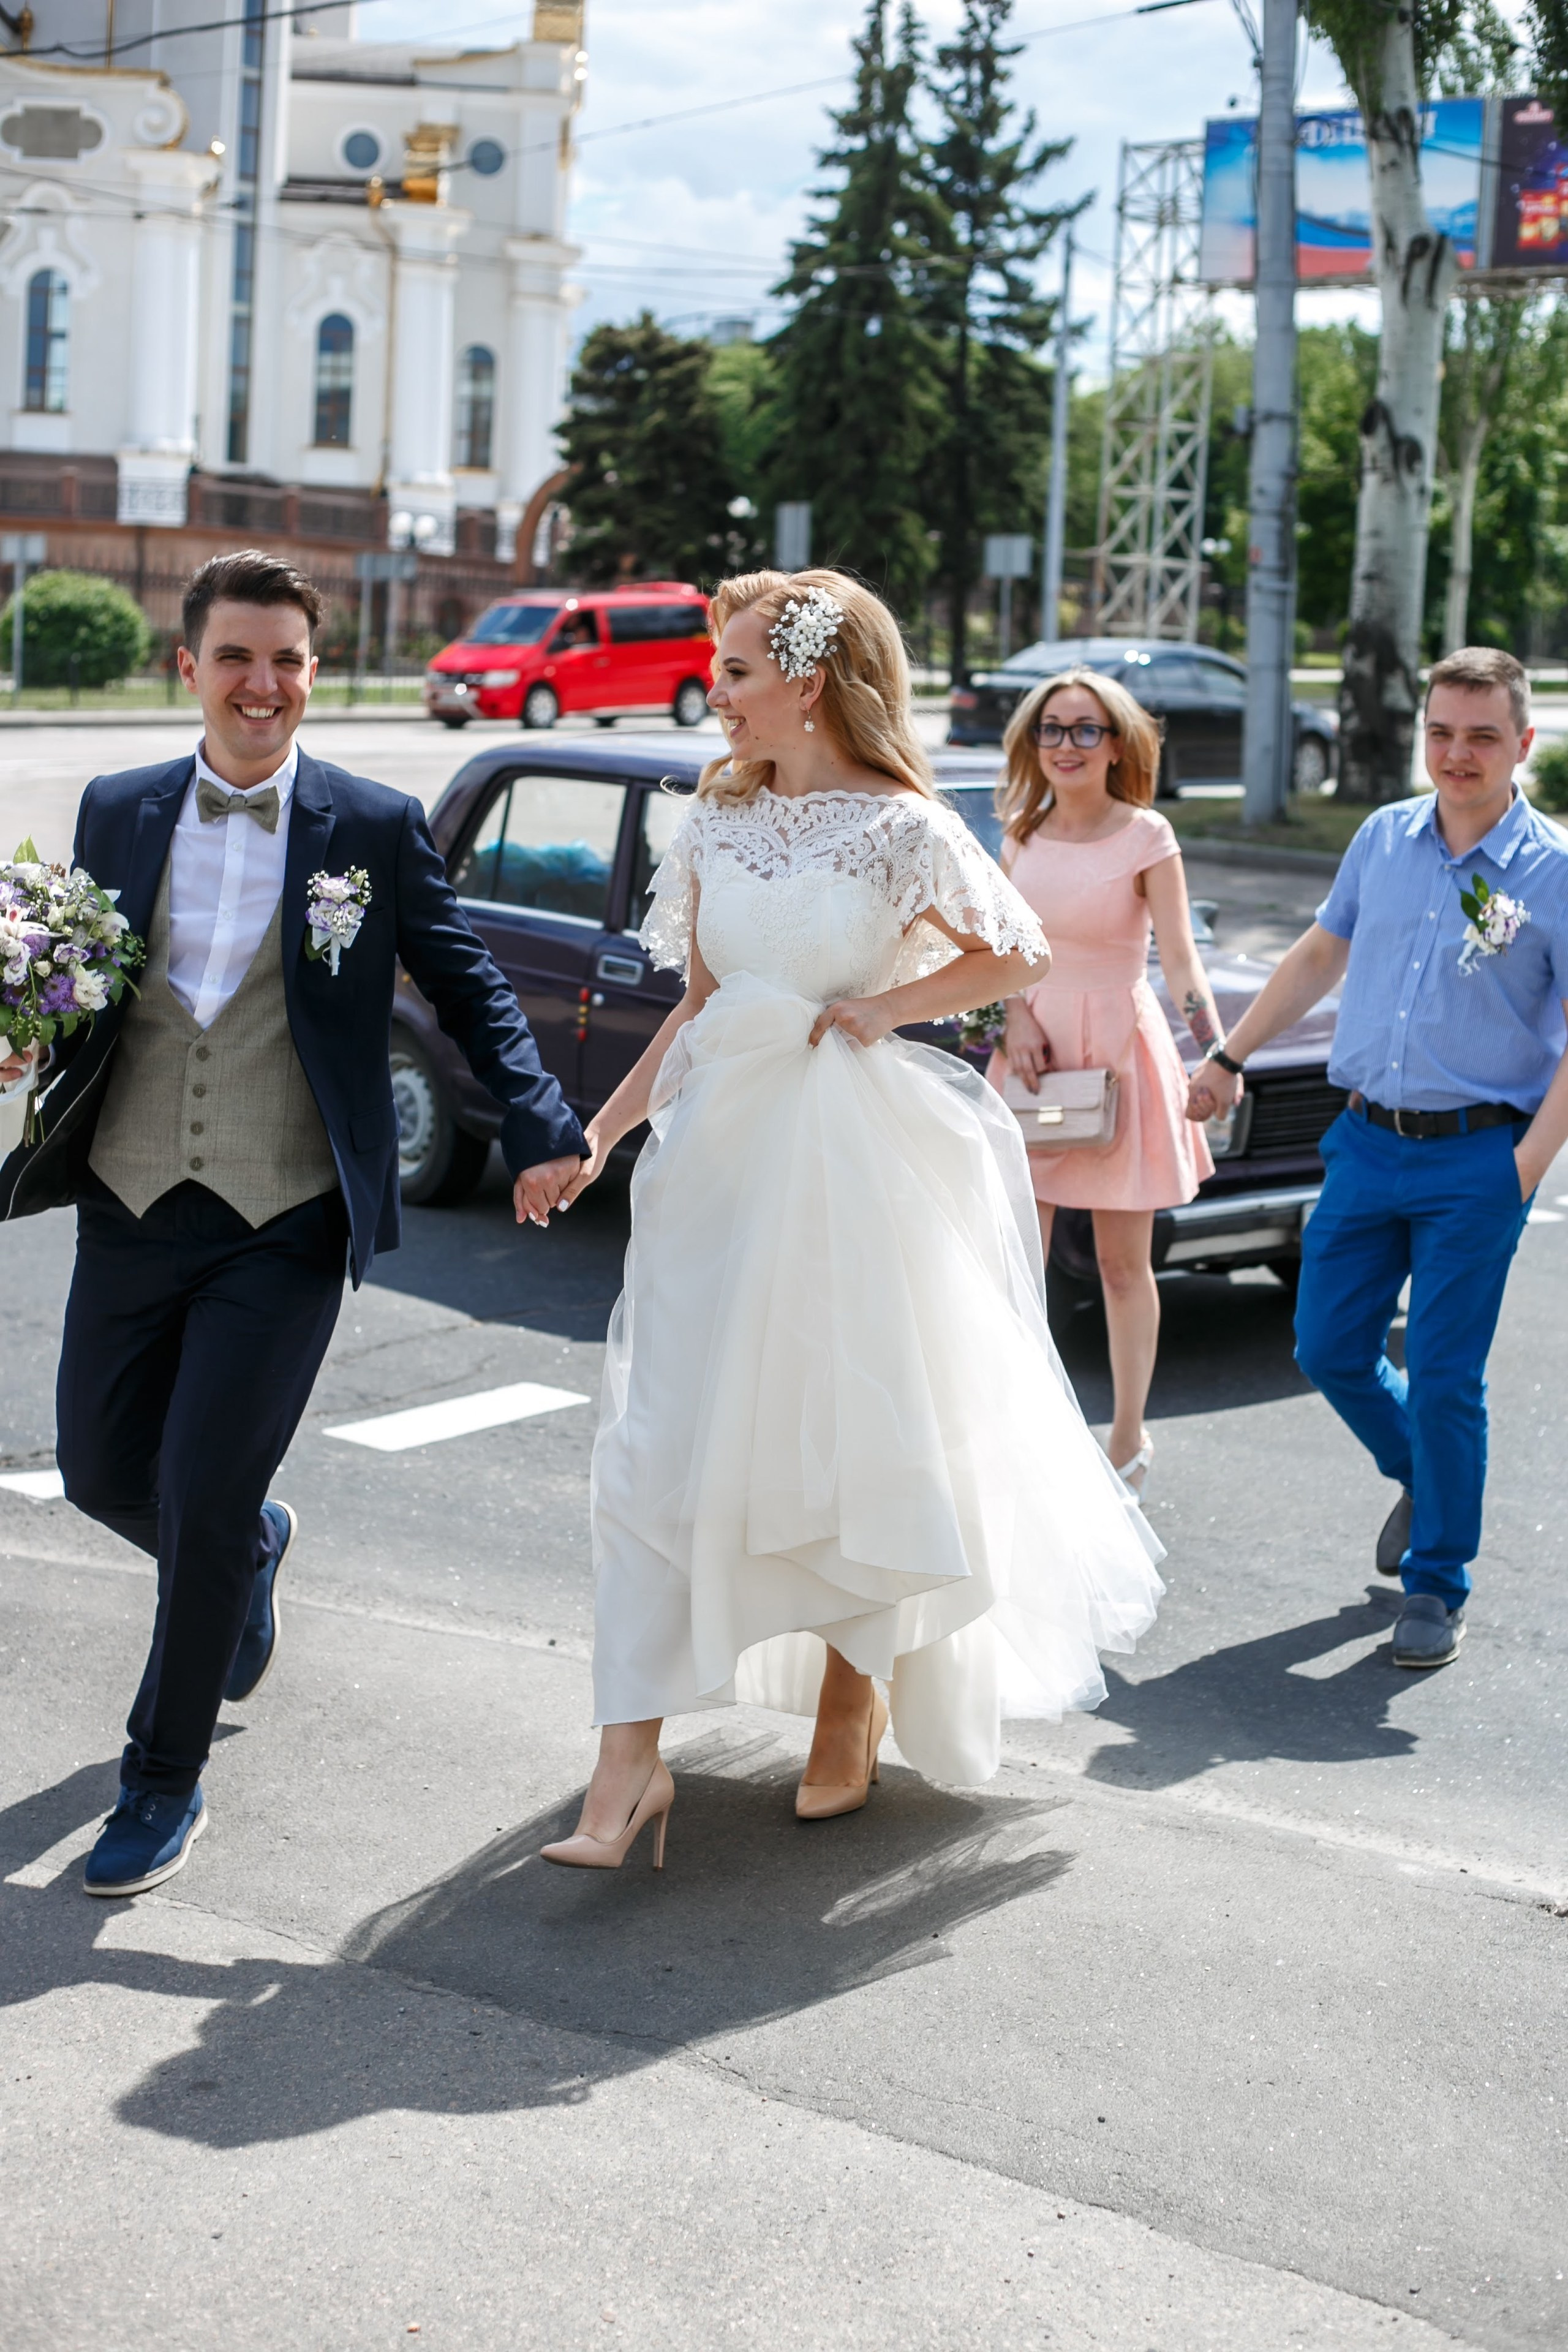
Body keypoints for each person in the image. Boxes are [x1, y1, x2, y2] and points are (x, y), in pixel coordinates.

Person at [538, 570, 1165, 1871]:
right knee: (666, 1450)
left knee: (843, 1439)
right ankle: (625, 1763)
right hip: (716, 1164)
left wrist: (891, 1005)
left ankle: (850, 1691)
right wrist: (595, 1139)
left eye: (734, 673)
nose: (715, 694)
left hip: (852, 1160)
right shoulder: (711, 821)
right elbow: (697, 1008)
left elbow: (1016, 955)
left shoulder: (903, 827)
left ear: (807, 684)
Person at [0, 549, 585, 1896]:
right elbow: (86, 987)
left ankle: (162, 1780)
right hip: (133, 1199)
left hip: (286, 1216)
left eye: (287, 661)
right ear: (190, 666)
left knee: (200, 1498)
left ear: (312, 674)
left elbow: (469, 981)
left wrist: (543, 1119)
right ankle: (253, 1549)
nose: (263, 685)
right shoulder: (117, 809)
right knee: (100, 1474)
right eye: (235, 658)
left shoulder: (371, 827)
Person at [1186, 646, 1568, 1667]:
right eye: (1441, 732)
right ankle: (1426, 1477)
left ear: (1522, 743)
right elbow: (1320, 952)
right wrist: (1230, 1055)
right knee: (1327, 1348)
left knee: (1447, 1377)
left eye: (1482, 735)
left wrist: (1528, 1164)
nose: (1457, 753)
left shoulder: (1554, 872)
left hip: (1477, 1162)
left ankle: (1438, 1583)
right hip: (1364, 1143)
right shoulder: (1384, 837)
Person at [989, 668, 1226, 1488]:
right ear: (1033, 741)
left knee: (1125, 1265)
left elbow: (1183, 959)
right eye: (1052, 729)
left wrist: (1217, 1053)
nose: (1066, 745)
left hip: (1121, 1055)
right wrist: (1012, 1019)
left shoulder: (1147, 836)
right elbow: (995, 958)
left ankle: (1127, 1441)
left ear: (1116, 744)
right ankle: (1011, 1430)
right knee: (1018, 1262)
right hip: (1035, 1057)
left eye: (1086, 729)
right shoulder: (1018, 835)